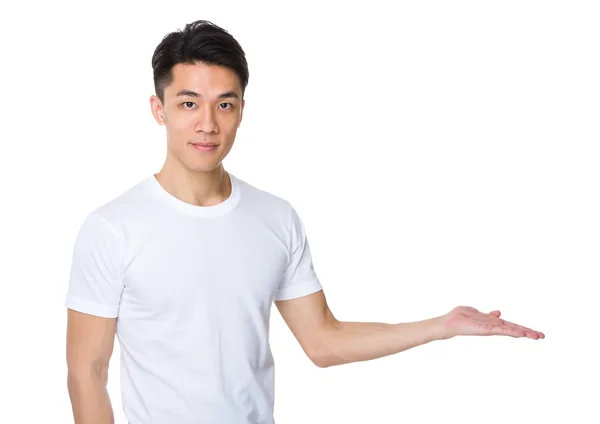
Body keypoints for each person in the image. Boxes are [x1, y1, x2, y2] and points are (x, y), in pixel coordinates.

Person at [64, 19, 545, 424]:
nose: (207, 123)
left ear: (240, 111)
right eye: (189, 103)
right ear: (159, 109)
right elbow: (88, 372)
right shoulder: (113, 227)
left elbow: (323, 341)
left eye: (224, 104)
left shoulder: (275, 218)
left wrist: (441, 325)